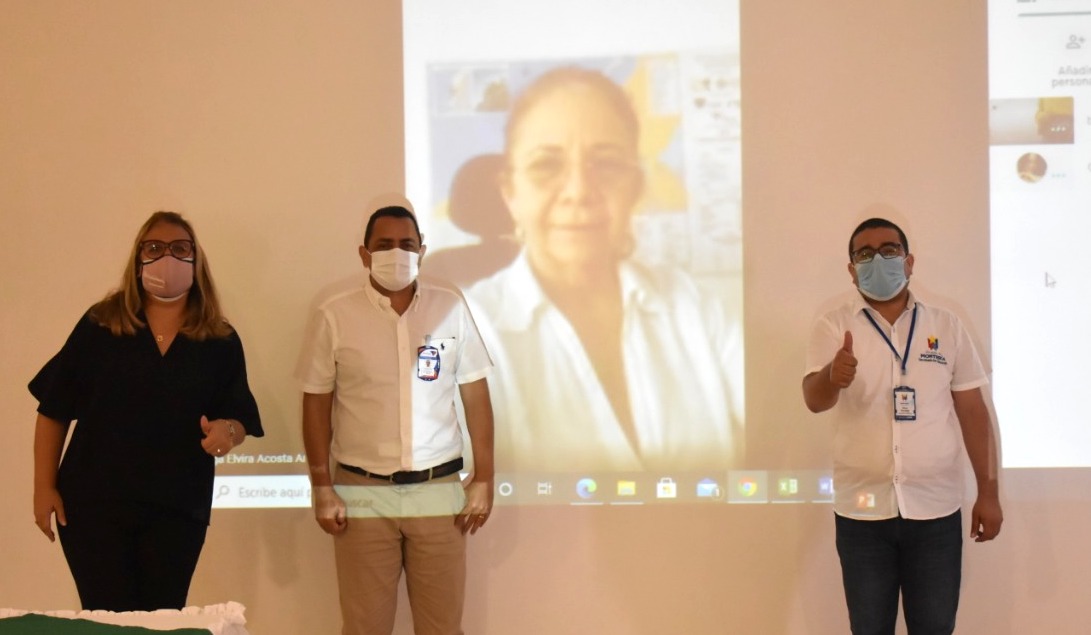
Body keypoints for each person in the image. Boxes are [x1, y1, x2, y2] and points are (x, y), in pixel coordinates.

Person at [467, 66, 742, 473]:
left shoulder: (698, 310)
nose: (579, 191)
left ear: (634, 186)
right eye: (546, 166)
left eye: (606, 164)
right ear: (511, 194)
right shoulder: (468, 331)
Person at [29, 210, 263, 612]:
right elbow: (53, 409)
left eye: (179, 248)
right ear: (138, 260)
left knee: (162, 618)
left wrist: (229, 431)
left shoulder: (219, 339)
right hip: (93, 507)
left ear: (196, 260)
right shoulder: (101, 325)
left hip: (177, 509)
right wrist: (42, 487)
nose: (166, 257)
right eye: (153, 248)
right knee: (107, 618)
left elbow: (238, 417)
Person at [298, 204, 495, 635]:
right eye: (384, 245)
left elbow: (475, 396)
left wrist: (485, 477)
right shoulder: (335, 314)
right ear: (364, 254)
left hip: (438, 490)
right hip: (362, 491)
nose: (396, 253)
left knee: (442, 627)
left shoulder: (450, 307)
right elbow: (316, 403)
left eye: (407, 245)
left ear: (422, 251)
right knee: (365, 627)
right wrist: (321, 486)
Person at [801, 217, 1003, 634]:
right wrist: (831, 376)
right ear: (852, 269)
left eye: (889, 251)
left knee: (934, 627)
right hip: (862, 516)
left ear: (909, 262)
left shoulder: (946, 326)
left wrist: (989, 493)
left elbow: (973, 413)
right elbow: (814, 400)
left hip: (935, 512)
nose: (878, 260)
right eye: (865, 254)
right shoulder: (834, 326)